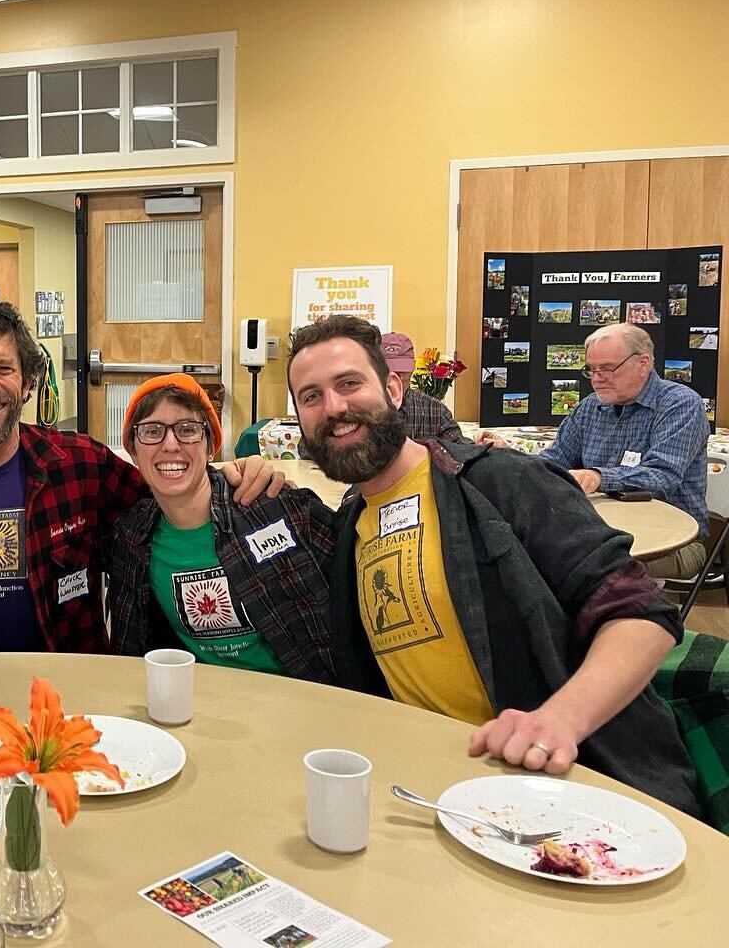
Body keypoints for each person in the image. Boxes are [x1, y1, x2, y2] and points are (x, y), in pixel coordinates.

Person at [285, 314, 698, 815]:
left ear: (395, 389)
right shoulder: (350, 522)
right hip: (434, 791)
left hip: (569, 785)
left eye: (349, 383)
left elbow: (642, 613)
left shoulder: (501, 482)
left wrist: (559, 720)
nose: (334, 408)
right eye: (311, 396)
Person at [0, 299, 282, 655]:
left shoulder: (80, 466)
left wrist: (228, 476)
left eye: (4, 369)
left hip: (70, 686)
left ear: (26, 384)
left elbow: (170, 499)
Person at [106, 374, 336, 683]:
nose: (170, 445)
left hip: (307, 698)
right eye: (152, 431)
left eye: (188, 430)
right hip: (201, 705)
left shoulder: (273, 507)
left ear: (212, 445)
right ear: (133, 452)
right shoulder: (129, 538)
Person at [540, 322, 709, 579]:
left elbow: (662, 477)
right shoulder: (590, 407)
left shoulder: (680, 404)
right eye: (592, 370)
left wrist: (597, 477)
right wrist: (512, 460)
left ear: (643, 364)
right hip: (599, 533)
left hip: (672, 544)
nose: (597, 378)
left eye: (607, 368)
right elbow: (554, 460)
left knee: (573, 566)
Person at [380, 332, 465, 443]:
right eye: (387, 371)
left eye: (401, 372)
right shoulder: (361, 409)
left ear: (413, 368)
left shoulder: (434, 410)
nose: (394, 379)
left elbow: (461, 447)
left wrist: (485, 447)